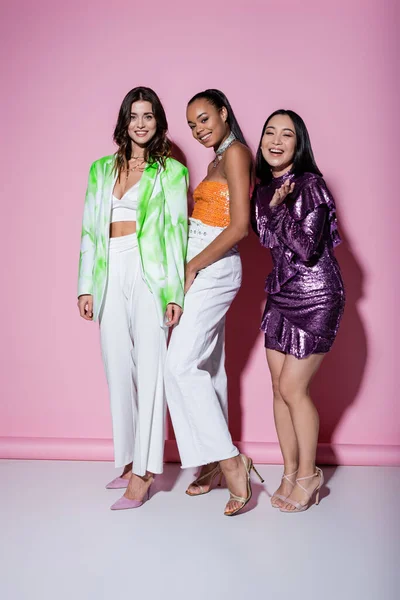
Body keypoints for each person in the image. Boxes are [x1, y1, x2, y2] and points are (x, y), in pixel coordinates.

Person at [77, 86, 188, 510]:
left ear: (158, 122)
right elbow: (90, 228)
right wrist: (86, 285)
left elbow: (176, 233)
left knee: (151, 370)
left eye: (149, 116)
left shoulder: (172, 172)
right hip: (110, 270)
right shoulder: (101, 169)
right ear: (124, 121)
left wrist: (173, 292)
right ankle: (127, 460)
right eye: (134, 116)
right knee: (117, 368)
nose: (141, 123)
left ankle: (144, 474)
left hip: (150, 274)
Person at [165, 89, 263, 517]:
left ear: (224, 113)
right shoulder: (213, 162)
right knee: (208, 368)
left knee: (179, 365)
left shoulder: (238, 153)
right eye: (191, 125)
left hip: (216, 266)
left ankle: (230, 459)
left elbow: (240, 225)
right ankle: (210, 463)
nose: (198, 129)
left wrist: (192, 267)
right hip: (202, 259)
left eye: (204, 119)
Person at [252, 109, 345, 512]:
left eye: (286, 134)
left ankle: (310, 474)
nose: (275, 140)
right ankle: (290, 471)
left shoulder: (310, 185)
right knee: (277, 389)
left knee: (293, 387)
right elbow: (266, 239)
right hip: (280, 294)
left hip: (317, 293)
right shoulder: (262, 190)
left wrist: (278, 208)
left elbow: (307, 248)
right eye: (269, 132)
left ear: (298, 144)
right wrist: (271, 205)